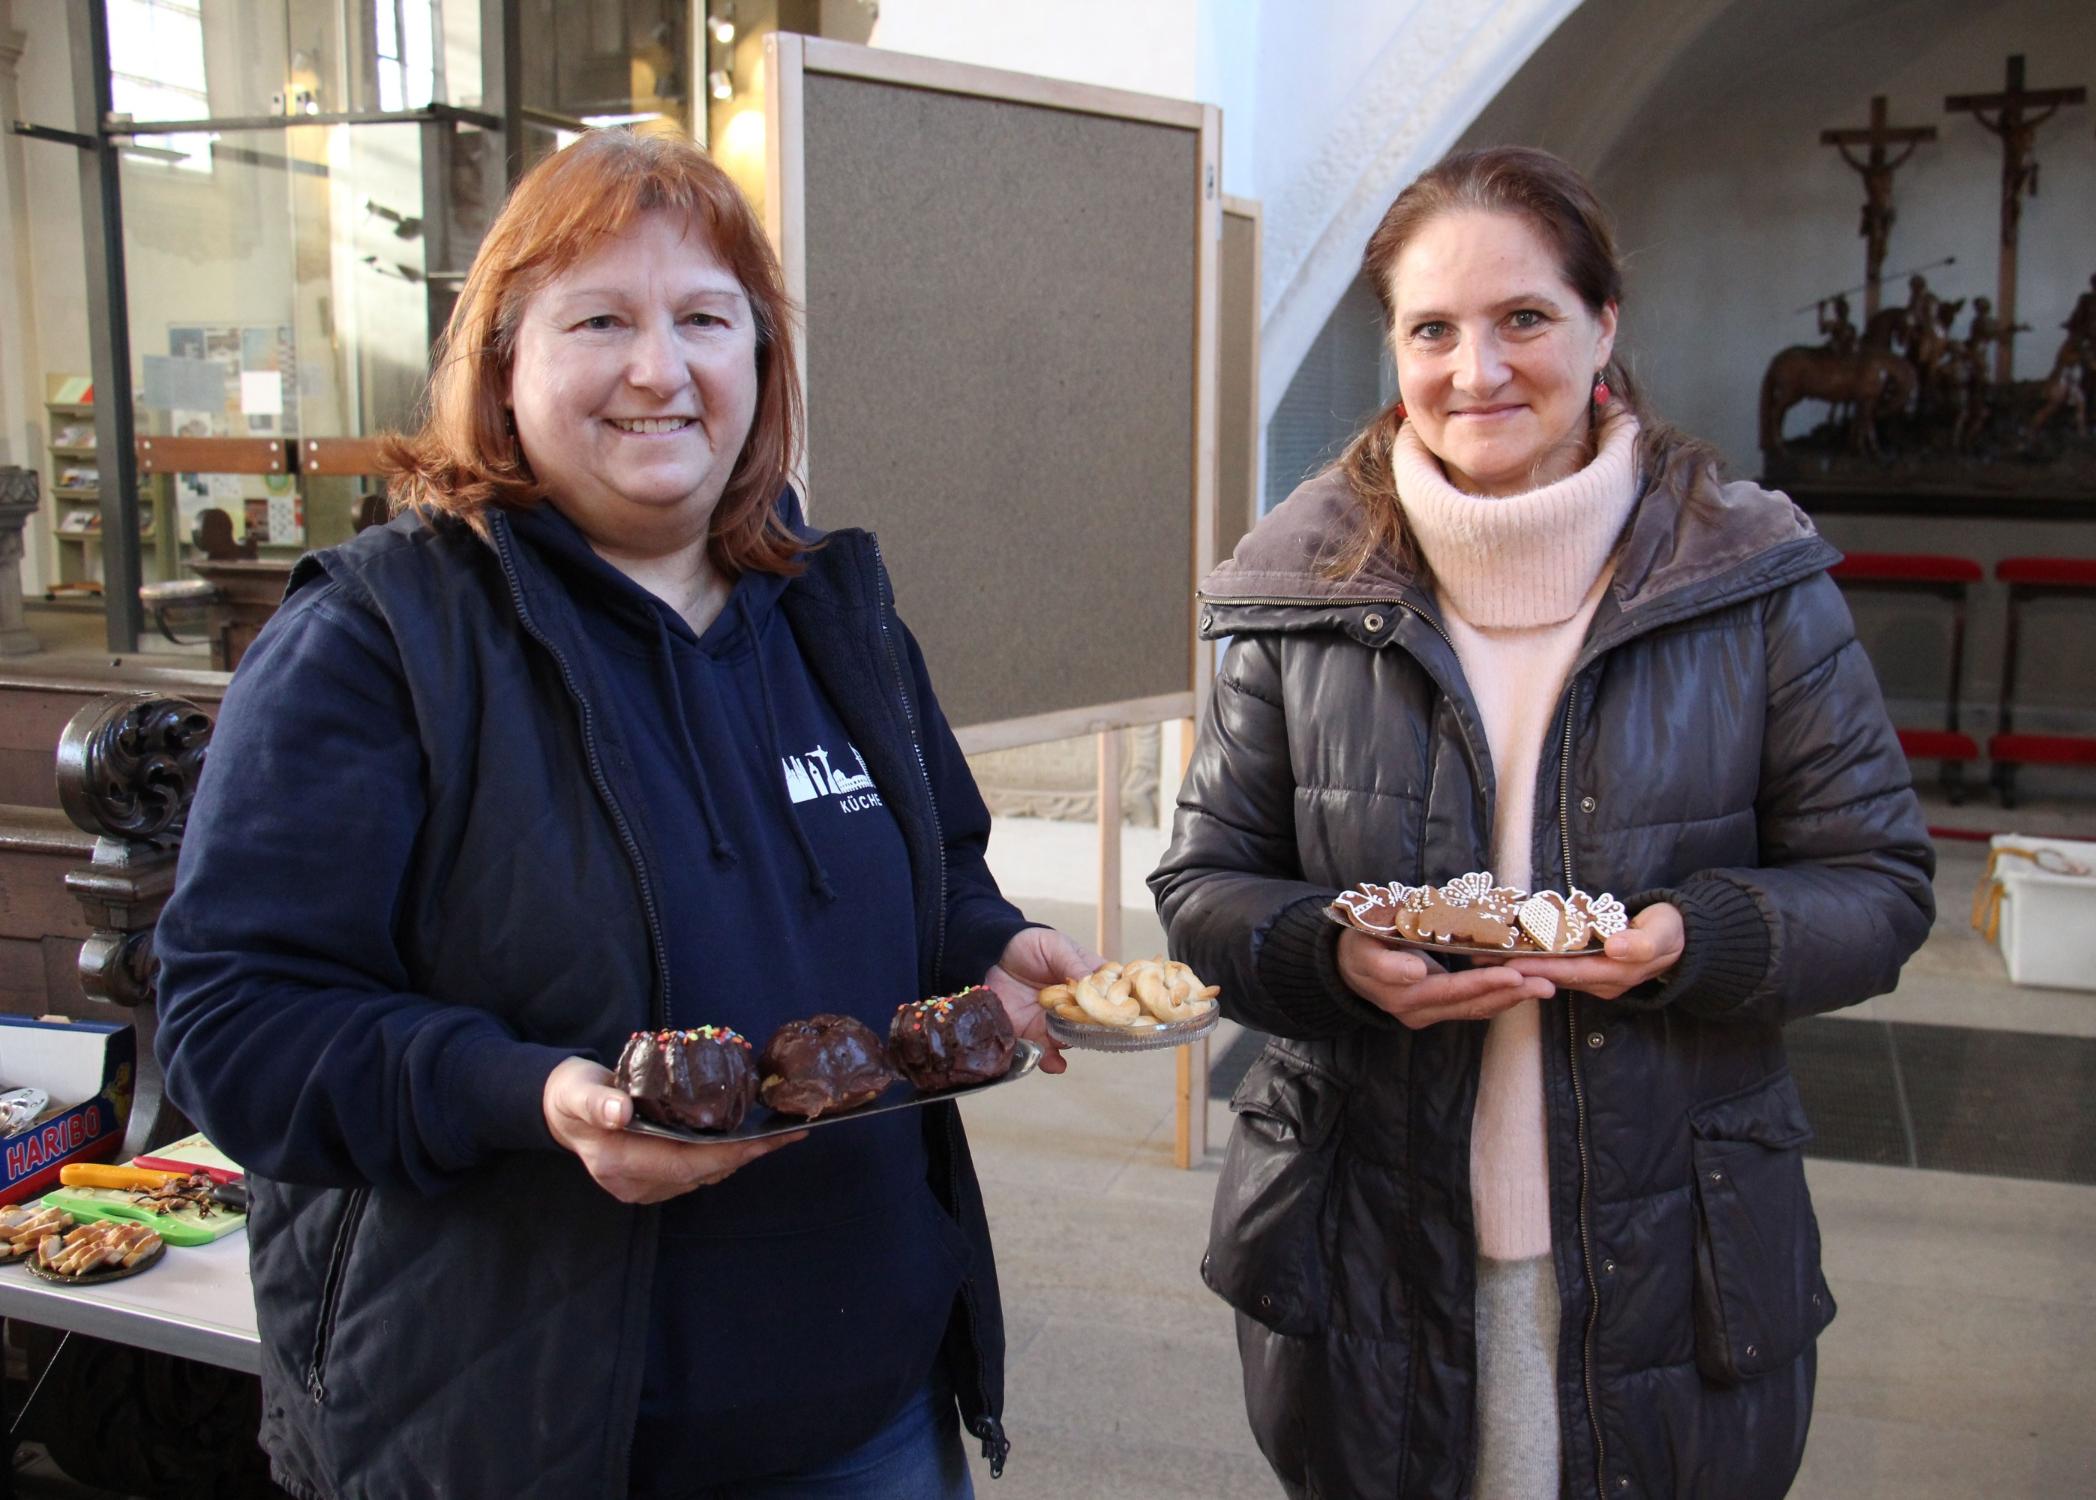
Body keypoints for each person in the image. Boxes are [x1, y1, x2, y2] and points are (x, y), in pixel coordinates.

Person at [153, 129, 1092, 1500]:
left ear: (759, 364)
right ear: (505, 365)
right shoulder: (381, 636)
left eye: (706, 320)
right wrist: (533, 1096)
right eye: (601, 319)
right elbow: (231, 1026)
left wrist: (989, 949)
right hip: (526, 1433)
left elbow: (933, 865)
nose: (660, 368)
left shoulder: (836, 611)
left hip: (869, 1413)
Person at [1150, 146, 1935, 1500]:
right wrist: (1328, 959)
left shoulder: (1748, 579)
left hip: (1668, 1244)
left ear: (1601, 326)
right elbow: (1205, 883)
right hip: (1367, 1238)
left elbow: (1878, 883)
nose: (1476, 372)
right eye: (1430, 329)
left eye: (1523, 318)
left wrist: (1699, 936)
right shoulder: (1295, 586)